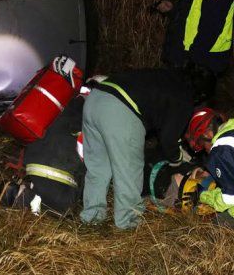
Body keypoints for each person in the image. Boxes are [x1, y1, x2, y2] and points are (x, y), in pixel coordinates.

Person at [80, 69, 196, 229]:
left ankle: (91, 217)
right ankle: (128, 223)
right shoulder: (184, 97)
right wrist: (178, 162)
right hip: (119, 108)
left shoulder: (161, 77)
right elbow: (169, 139)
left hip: (94, 99)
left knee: (97, 169)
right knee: (128, 171)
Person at [159, 0, 234, 93]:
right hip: (188, 63)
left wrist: (191, 63)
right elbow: (190, 16)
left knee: (198, 112)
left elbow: (210, 30)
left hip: (201, 67)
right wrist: (172, 10)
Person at [1, 95, 86, 215]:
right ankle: (29, 199)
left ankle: (24, 190)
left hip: (31, 169)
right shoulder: (90, 118)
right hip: (59, 183)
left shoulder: (53, 103)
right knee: (67, 209)